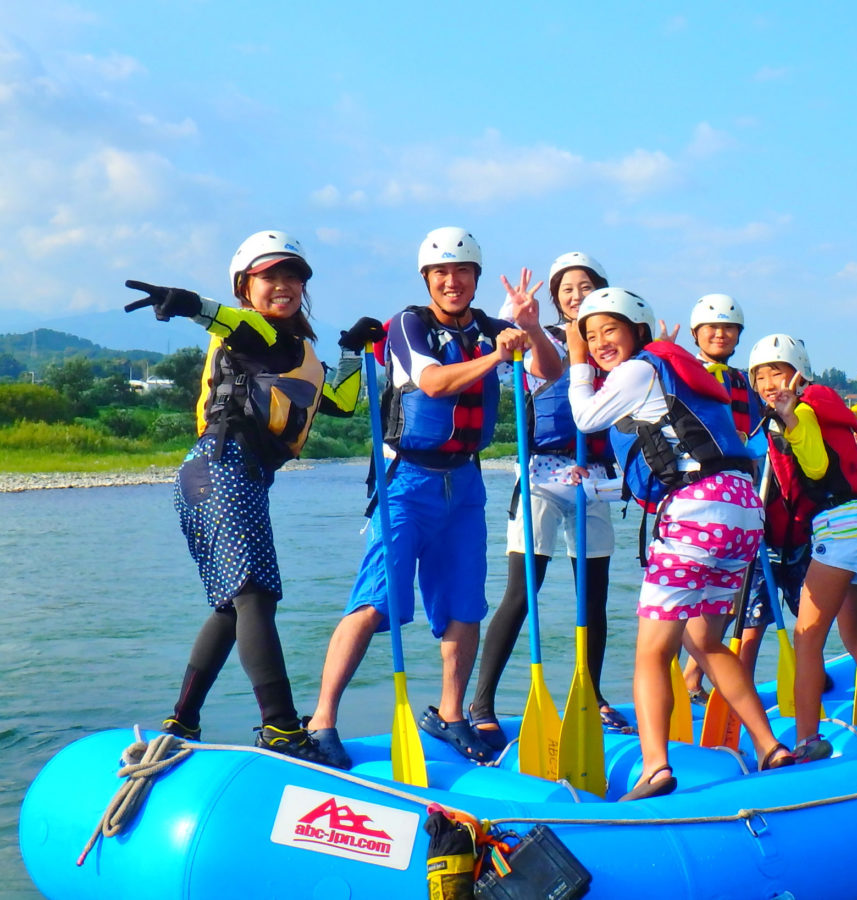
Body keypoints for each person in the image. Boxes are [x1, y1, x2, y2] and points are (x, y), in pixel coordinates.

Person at [304, 227, 560, 766]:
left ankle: (451, 715)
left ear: (476, 278)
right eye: (441, 272)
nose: (452, 281)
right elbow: (434, 382)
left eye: (462, 271)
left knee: (465, 603)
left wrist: (531, 330)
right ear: (427, 278)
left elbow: (549, 371)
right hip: (408, 481)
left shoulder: (490, 328)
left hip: (464, 483)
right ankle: (321, 720)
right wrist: (496, 356)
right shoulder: (409, 325)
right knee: (377, 601)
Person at [125, 230, 378, 765]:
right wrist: (188, 303)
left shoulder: (298, 350)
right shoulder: (250, 330)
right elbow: (225, 321)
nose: (283, 286)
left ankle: (183, 719)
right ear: (245, 286)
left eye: (292, 277)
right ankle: (282, 728)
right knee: (255, 596)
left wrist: (351, 351)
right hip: (223, 465)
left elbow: (340, 400)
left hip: (220, 475)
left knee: (232, 606)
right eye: (270, 277)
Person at [566, 287, 795, 801]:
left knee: (653, 652)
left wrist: (577, 362)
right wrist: (597, 486)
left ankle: (655, 768)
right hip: (738, 512)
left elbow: (584, 418)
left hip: (695, 516)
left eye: (610, 331)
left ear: (638, 333)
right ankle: (769, 746)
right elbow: (674, 460)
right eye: (591, 335)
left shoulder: (637, 370)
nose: (600, 342)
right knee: (705, 642)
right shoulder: (676, 376)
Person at [470, 251, 627, 749]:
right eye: (567, 289)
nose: (576, 295)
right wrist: (528, 323)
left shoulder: (613, 347)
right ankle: (482, 703)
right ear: (555, 297)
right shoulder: (539, 336)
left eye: (586, 286)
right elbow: (545, 367)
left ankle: (593, 695)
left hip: (593, 477)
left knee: (593, 595)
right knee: (523, 590)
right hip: (541, 472)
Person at [747, 334, 857, 763]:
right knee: (854, 634)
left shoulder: (801, 410)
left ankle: (807, 739)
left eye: (777, 373)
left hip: (837, 529)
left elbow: (817, 466)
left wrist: (790, 420)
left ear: (798, 374)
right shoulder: (833, 410)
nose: (767, 383)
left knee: (806, 639)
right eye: (759, 376)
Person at [680, 294, 771, 703]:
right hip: (695, 499)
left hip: (738, 499)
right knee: (684, 596)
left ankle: (692, 679)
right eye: (712, 328)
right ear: (696, 333)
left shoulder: (743, 383)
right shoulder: (683, 374)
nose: (720, 334)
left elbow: (758, 436)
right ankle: (677, 681)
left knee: (727, 598)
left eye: (729, 328)